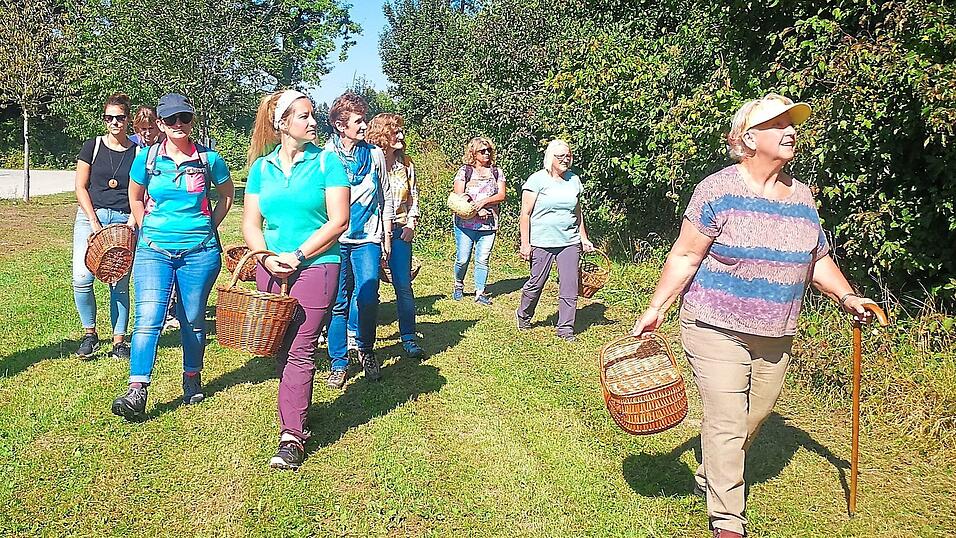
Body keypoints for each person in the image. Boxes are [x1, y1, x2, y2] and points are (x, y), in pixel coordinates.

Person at [630, 94, 877, 538]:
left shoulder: (802, 197)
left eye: (793, 123)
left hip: (776, 330)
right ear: (749, 138)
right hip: (714, 324)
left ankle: (713, 473)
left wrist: (847, 296)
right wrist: (656, 309)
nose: (790, 130)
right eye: (778, 123)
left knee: (753, 415)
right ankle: (728, 520)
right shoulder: (717, 190)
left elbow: (816, 258)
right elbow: (686, 255)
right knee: (725, 418)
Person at [243, 89, 350, 469]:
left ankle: (292, 436)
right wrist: (265, 257)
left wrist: (299, 255)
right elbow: (251, 224)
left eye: (312, 114)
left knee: (301, 348)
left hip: (317, 265)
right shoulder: (261, 168)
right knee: (281, 347)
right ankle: (297, 405)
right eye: (303, 116)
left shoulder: (328, 163)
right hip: (270, 268)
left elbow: (339, 221)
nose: (312, 122)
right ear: (282, 123)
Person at [111, 93, 234, 420]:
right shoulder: (147, 158)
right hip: (154, 251)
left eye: (184, 118)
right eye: (170, 120)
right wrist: (145, 226)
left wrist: (209, 226)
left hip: (200, 253)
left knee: (192, 319)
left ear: (192, 120)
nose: (178, 125)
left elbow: (227, 195)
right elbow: (134, 197)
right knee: (149, 316)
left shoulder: (210, 159)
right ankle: (137, 389)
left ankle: (192, 375)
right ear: (160, 124)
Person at [324, 92, 392, 389]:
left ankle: (365, 349)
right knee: (337, 301)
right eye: (359, 121)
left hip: (368, 237)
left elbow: (385, 196)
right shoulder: (325, 156)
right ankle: (338, 362)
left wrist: (386, 235)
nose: (365, 126)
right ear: (341, 126)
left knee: (367, 296)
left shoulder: (375, 155)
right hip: (335, 240)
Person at [72, 93, 138, 360]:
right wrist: (94, 221)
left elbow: (142, 193)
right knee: (82, 278)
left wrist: (133, 221)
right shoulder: (93, 146)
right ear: (104, 119)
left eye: (119, 117)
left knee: (119, 282)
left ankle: (119, 340)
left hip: (124, 219)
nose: (114, 122)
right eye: (109, 117)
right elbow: (80, 186)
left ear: (128, 119)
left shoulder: (137, 152)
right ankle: (90, 334)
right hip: (91, 217)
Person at [515, 139, 594, 341]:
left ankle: (565, 329)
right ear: (550, 158)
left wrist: (583, 238)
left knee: (570, 285)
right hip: (542, 241)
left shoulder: (574, 180)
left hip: (569, 241)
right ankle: (524, 315)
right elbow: (525, 214)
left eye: (568, 156)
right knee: (536, 283)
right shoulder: (537, 181)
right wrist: (525, 243)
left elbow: (577, 212)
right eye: (561, 156)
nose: (566, 160)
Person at [367, 113, 425, 358]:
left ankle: (409, 336)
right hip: (370, 232)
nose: (401, 135)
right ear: (382, 134)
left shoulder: (406, 163)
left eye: (401, 131)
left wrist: (412, 224)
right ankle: (360, 340)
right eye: (395, 131)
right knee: (367, 287)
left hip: (401, 230)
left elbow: (414, 196)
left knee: (403, 285)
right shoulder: (369, 160)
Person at [130, 105, 179, 331]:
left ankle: (170, 309)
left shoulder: (166, 148)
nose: (147, 133)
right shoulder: (136, 149)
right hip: (143, 215)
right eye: (142, 129)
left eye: (150, 128)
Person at [451, 137, 507, 305]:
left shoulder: (497, 171)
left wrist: (484, 202)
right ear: (473, 153)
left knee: (482, 259)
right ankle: (458, 285)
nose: (486, 154)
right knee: (463, 258)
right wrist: (477, 209)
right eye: (482, 151)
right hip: (465, 224)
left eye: (489, 150)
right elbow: (459, 196)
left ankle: (480, 292)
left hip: (489, 224)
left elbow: (501, 195)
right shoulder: (465, 171)